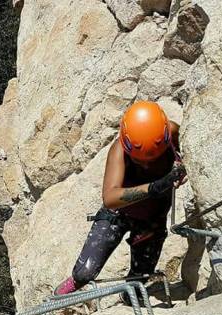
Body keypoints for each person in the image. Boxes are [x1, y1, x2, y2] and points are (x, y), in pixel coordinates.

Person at [54, 101, 187, 303]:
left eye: (152, 159)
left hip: (152, 220)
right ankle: (67, 288)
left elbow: (188, 153)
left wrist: (181, 167)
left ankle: (127, 298)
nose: (146, 163)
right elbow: (110, 198)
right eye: (139, 159)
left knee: (137, 282)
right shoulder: (119, 150)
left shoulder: (171, 133)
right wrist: (155, 186)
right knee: (84, 272)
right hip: (119, 214)